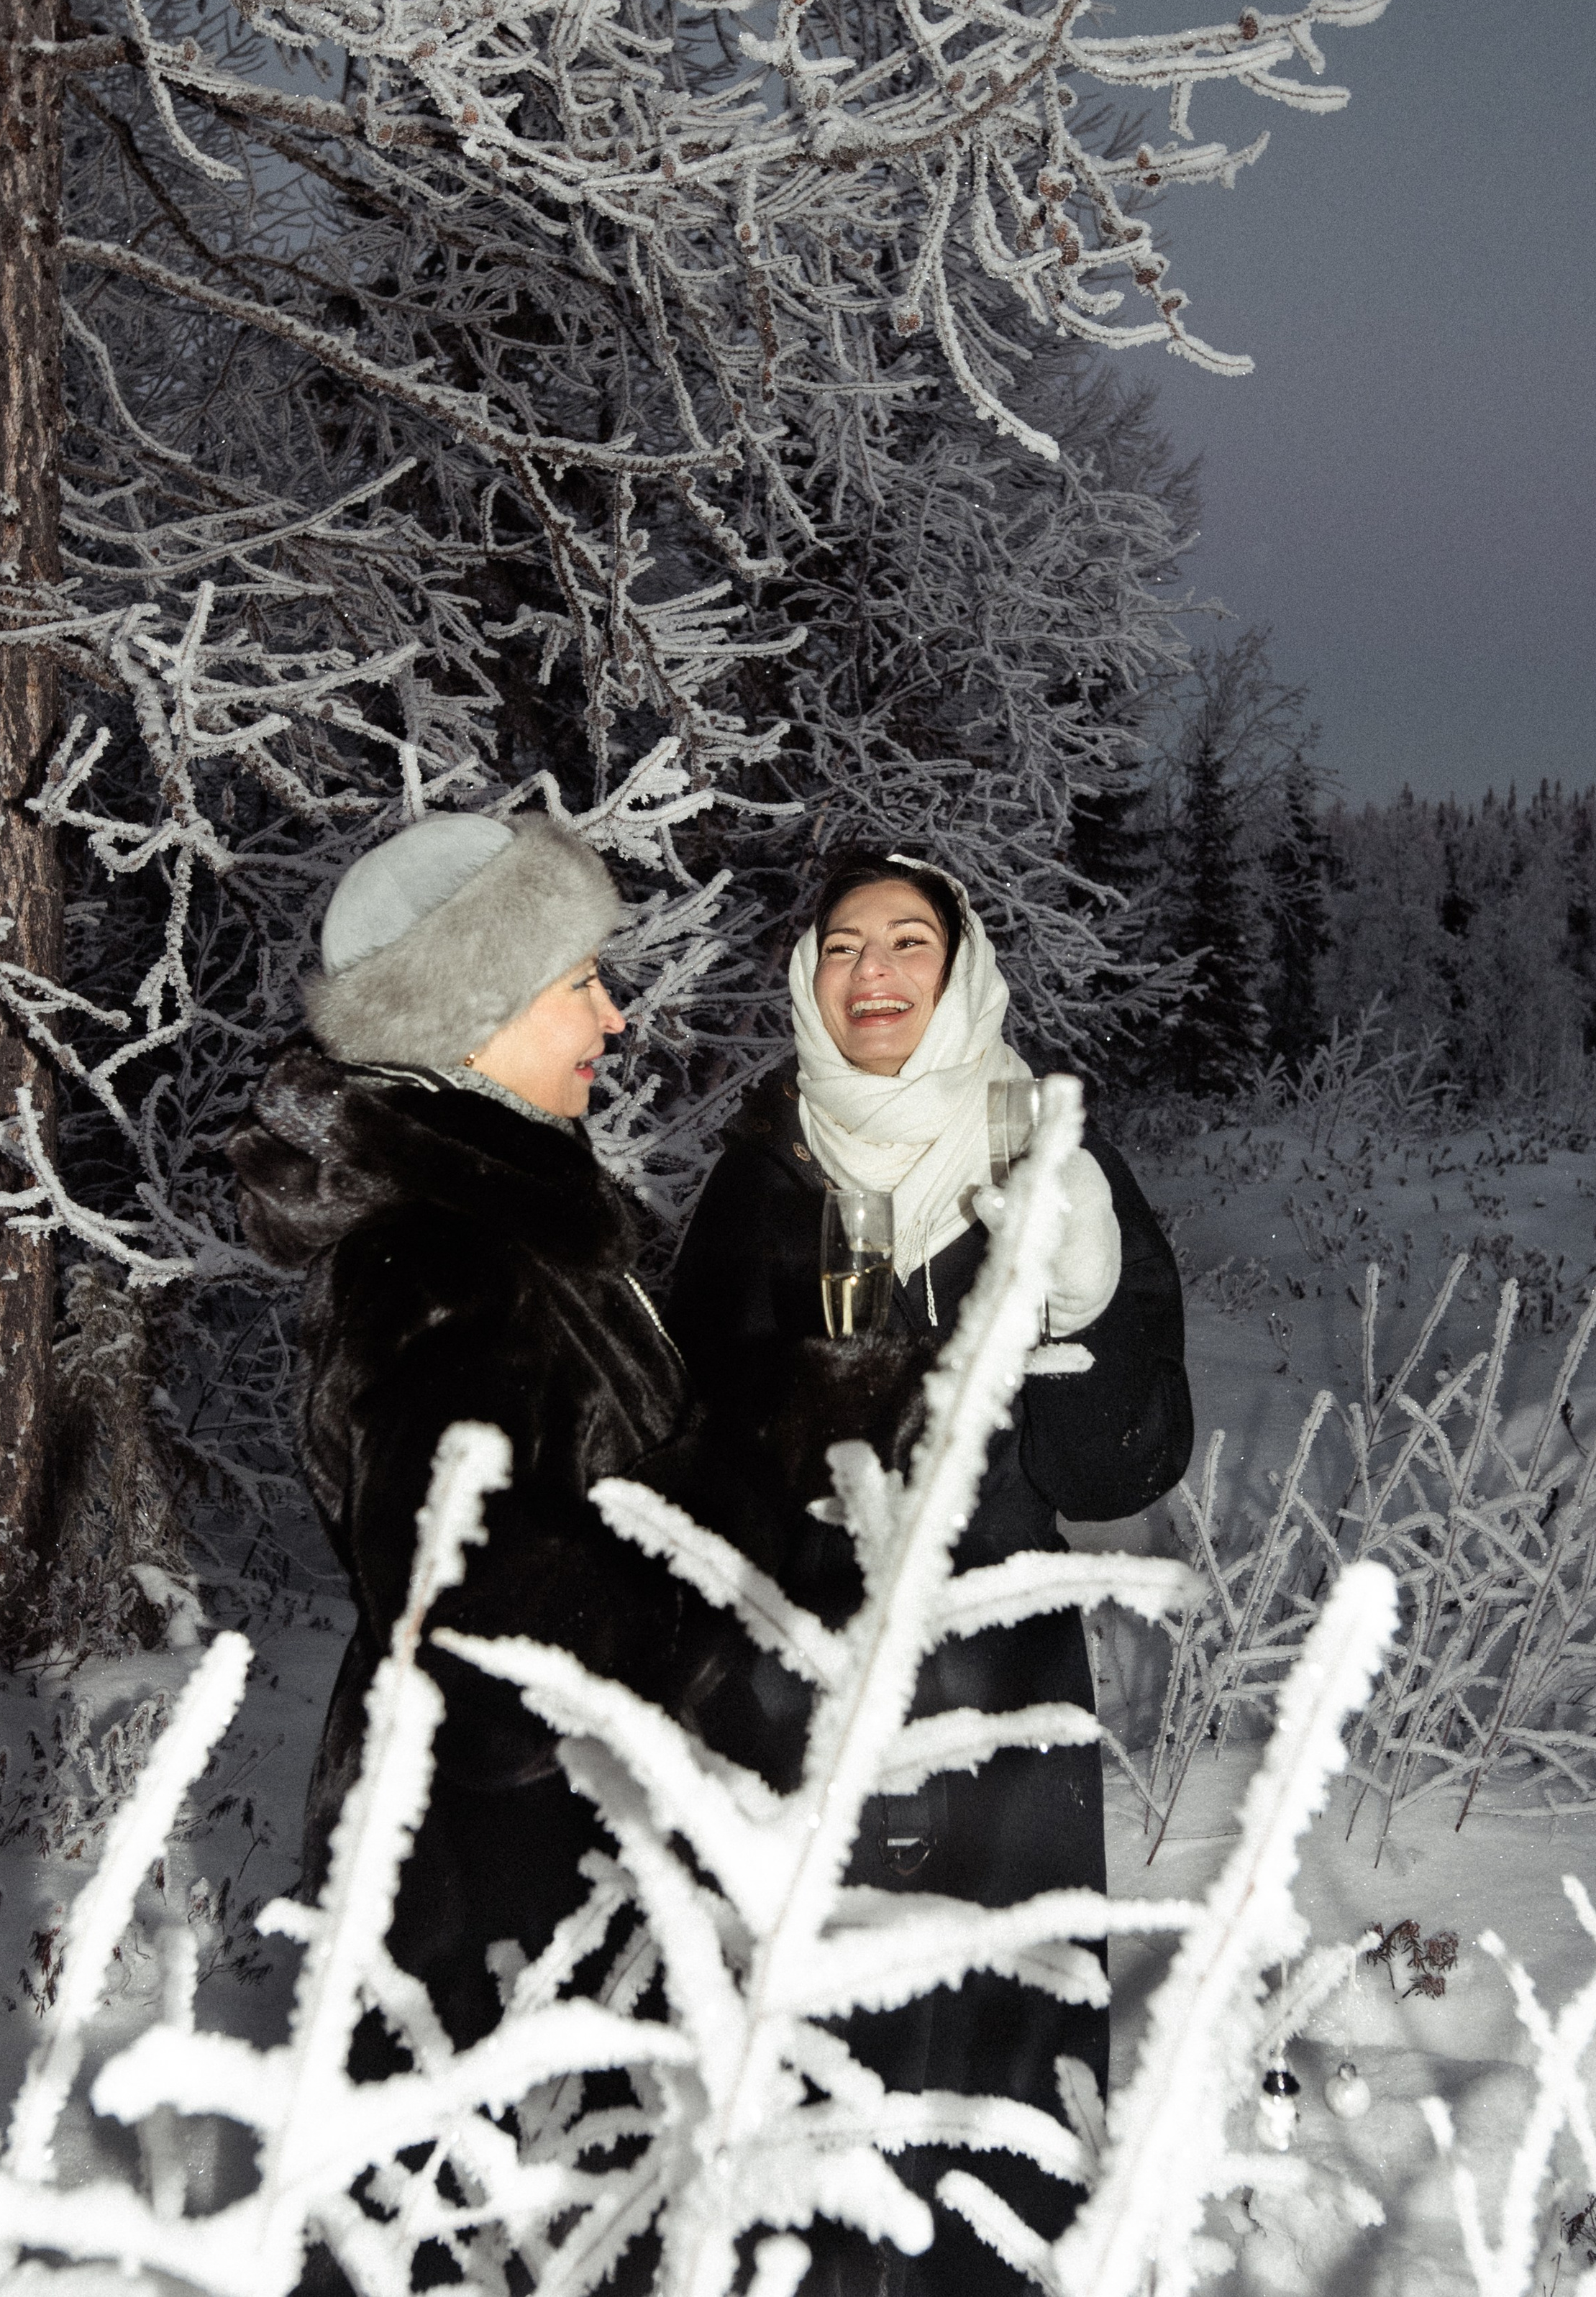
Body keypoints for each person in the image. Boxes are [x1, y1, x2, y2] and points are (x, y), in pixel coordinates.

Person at [669, 848, 1192, 2296]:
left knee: (994, 2067)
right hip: (794, 1698)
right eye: (845, 945)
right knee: (808, 2066)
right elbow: (688, 1444)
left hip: (997, 1693)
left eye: (910, 941)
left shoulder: (1048, 1153)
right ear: (806, 976)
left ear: (959, 973)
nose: (875, 973)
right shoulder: (756, 1175)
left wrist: (1080, 1303)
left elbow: (1121, 1471)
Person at [230, 810, 743, 2061]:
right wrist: (732, 1533)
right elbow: (491, 1649)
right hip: (501, 1914)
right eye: (580, 985)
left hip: (548, 1869)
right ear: (474, 1012)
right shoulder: (443, 1261)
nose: (614, 1018)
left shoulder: (515, 1231)